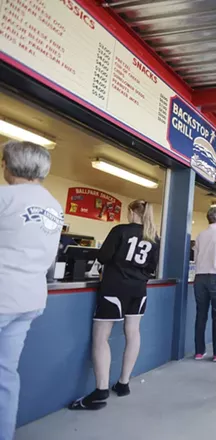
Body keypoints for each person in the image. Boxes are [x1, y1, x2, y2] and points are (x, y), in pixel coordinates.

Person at [70, 199, 160, 410]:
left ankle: (101, 390)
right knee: (133, 332)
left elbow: (103, 256)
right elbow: (151, 268)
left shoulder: (120, 230)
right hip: (138, 290)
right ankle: (123, 382)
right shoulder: (153, 237)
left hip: (114, 288)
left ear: (132, 213)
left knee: (101, 336)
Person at [0, 141, 64, 438]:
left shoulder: (5, 197)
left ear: (8, 165)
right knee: (5, 375)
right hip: (30, 298)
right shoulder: (53, 206)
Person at [193, 206, 216, 362]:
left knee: (201, 314)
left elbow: (195, 257)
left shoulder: (200, 235)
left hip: (200, 278)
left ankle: (199, 352)